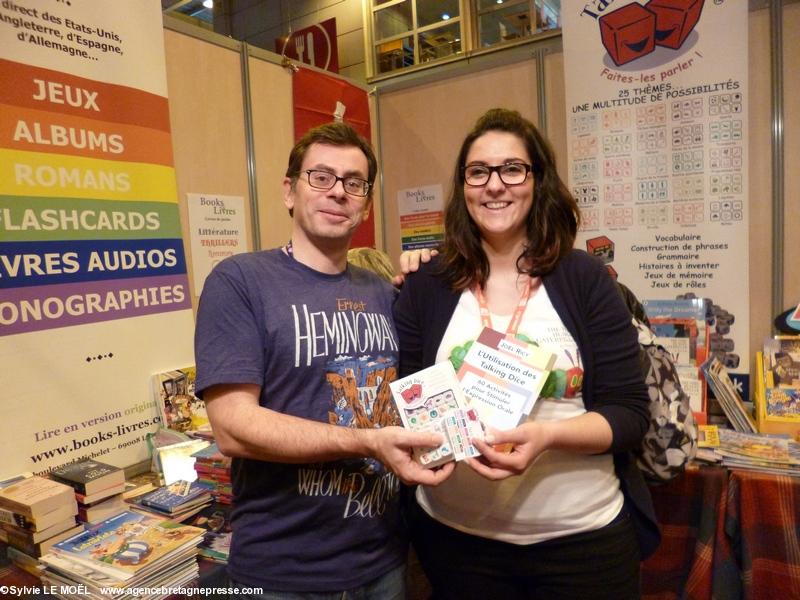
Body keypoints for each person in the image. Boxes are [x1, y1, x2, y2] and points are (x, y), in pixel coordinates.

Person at [393, 108, 660, 599]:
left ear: (538, 180)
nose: (495, 184)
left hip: (583, 546)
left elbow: (629, 415)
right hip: (458, 546)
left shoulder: (585, 281)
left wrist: (545, 437)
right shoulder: (426, 285)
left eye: (512, 168)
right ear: (464, 185)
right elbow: (409, 401)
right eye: (479, 172)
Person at [194, 121, 453, 599]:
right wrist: (367, 442)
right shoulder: (240, 281)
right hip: (283, 572)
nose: (338, 193)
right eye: (322, 177)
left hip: (383, 562)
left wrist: (429, 278)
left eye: (353, 183)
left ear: (366, 204)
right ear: (289, 191)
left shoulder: (386, 292)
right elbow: (231, 427)